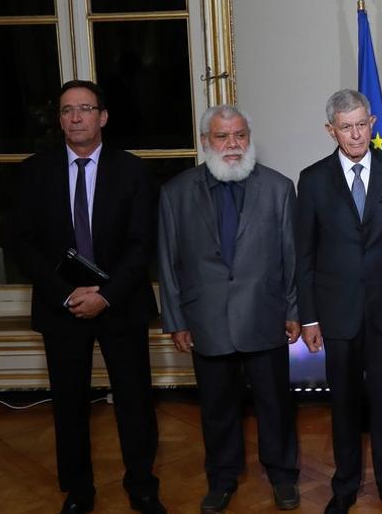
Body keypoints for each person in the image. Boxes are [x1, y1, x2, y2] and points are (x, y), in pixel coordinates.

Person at [9, 80, 166, 514]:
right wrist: (67, 293)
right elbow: (21, 242)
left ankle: (142, 485)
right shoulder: (33, 171)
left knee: (134, 403)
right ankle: (78, 491)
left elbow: (143, 244)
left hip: (122, 304)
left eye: (85, 108)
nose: (75, 118)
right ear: (59, 119)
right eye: (66, 110)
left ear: (103, 116)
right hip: (62, 308)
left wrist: (107, 295)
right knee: (69, 404)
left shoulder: (132, 171)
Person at [157, 105, 301, 513]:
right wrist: (176, 320)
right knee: (217, 408)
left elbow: (291, 256)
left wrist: (293, 309)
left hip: (264, 314)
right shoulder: (175, 193)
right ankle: (221, 479)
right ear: (206, 142)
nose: (232, 145)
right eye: (222, 137)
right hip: (206, 320)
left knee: (275, 403)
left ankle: (283, 475)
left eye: (239, 135)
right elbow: (168, 262)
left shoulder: (278, 187)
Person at [296, 89, 382, 514]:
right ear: (330, 130)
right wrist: (309, 318)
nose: (355, 135)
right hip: (337, 314)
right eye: (346, 127)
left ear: (373, 123)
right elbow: (306, 255)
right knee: (344, 403)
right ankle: (345, 485)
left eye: (362, 125)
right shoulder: (312, 179)